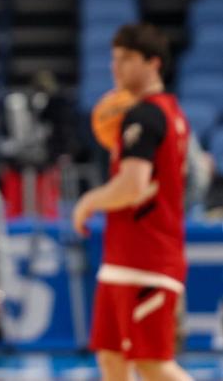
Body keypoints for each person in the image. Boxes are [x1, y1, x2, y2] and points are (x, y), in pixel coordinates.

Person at [73, 23, 193, 381]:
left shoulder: (146, 114)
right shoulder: (168, 111)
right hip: (124, 257)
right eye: (114, 58)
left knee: (153, 363)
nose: (116, 67)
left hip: (148, 258)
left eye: (126, 59)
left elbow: (133, 186)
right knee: (111, 359)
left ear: (153, 63)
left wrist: (89, 201)